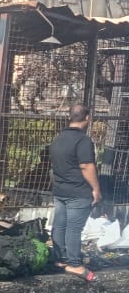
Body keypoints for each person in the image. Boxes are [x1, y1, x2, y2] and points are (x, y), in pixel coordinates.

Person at [48, 103, 101, 282]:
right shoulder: (83, 140)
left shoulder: (58, 138)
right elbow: (86, 165)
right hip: (78, 192)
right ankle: (75, 264)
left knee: (60, 225)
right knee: (74, 228)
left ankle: (60, 259)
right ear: (87, 118)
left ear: (70, 117)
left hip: (60, 190)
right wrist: (96, 189)